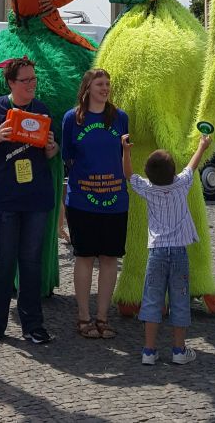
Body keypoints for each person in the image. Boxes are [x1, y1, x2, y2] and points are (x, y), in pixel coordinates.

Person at [0, 57, 59, 346]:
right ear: (11, 83)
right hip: (4, 199)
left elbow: (49, 154)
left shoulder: (42, 110)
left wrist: (51, 147)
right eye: (26, 80)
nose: (32, 84)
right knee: (2, 262)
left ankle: (33, 325)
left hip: (35, 199)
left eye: (34, 79)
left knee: (31, 263)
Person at [121, 130, 211, 366]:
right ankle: (179, 350)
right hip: (179, 251)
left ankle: (149, 351)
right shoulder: (181, 184)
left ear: (149, 174)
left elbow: (128, 175)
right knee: (180, 300)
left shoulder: (148, 189)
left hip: (157, 252)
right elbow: (192, 166)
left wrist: (126, 151)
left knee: (152, 299)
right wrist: (202, 146)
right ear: (173, 173)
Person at [61, 69, 129, 340]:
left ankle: (102, 317)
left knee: (110, 257)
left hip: (115, 200)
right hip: (82, 201)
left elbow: (123, 155)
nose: (105, 88)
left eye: (108, 84)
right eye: (100, 84)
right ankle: (83, 317)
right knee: (85, 256)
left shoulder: (120, 118)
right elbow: (67, 156)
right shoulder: (72, 118)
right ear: (87, 87)